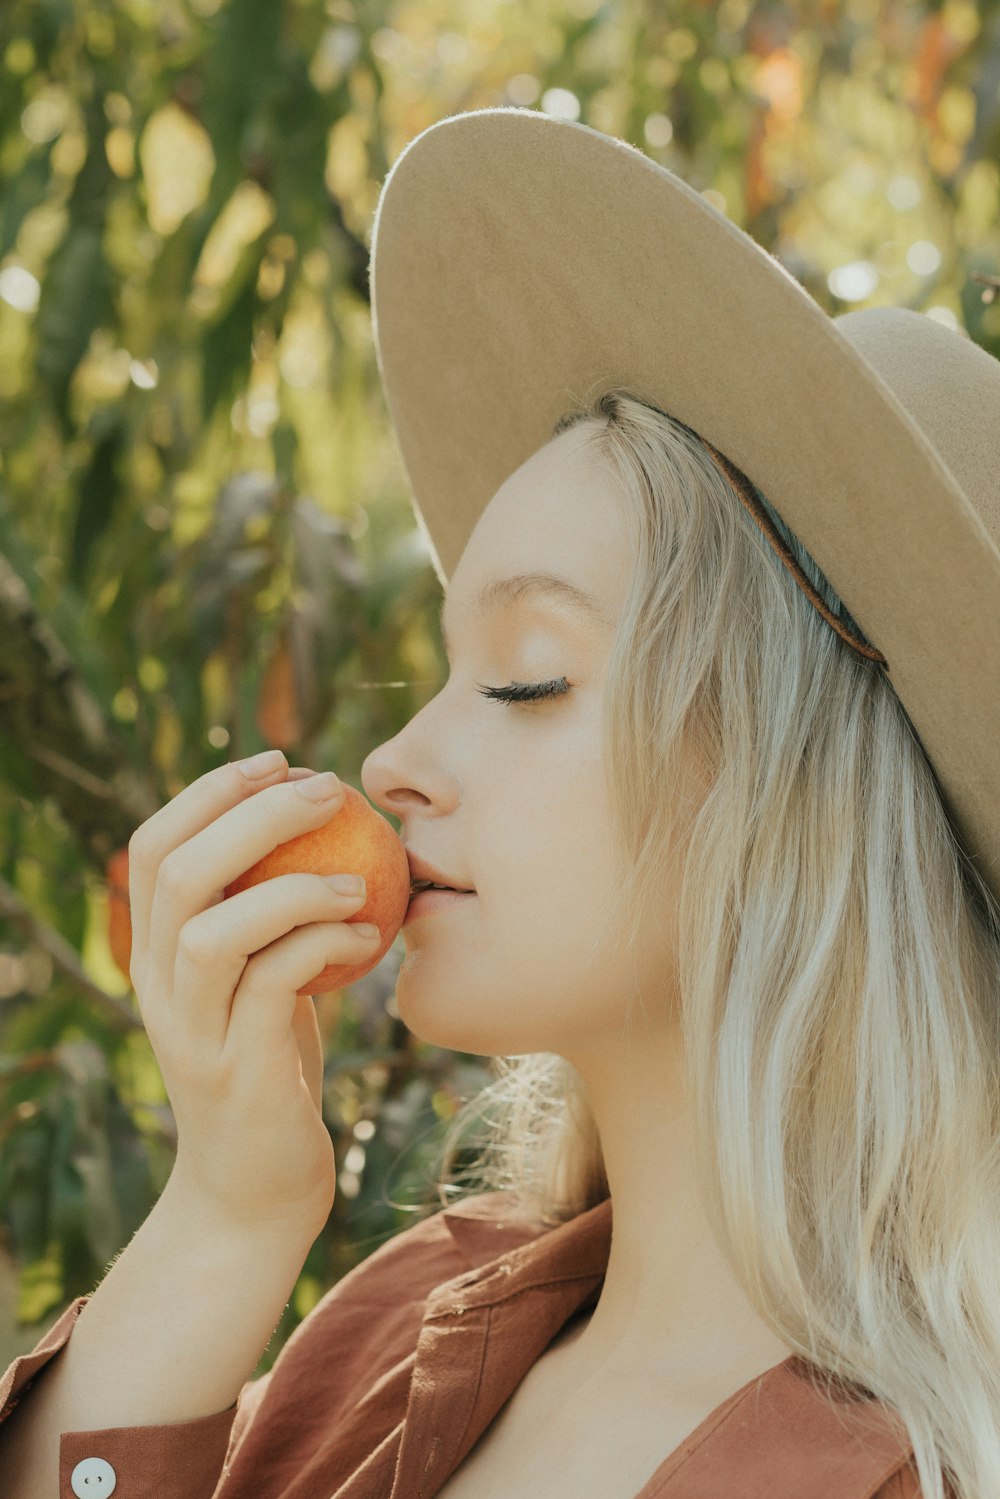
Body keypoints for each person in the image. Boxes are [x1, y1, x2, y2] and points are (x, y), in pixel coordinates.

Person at [2, 106, 999, 1499]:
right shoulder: (399, 1327)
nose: (397, 759)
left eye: (526, 679)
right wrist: (229, 1212)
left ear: (795, 792)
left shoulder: (917, 1471)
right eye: (443, 668)